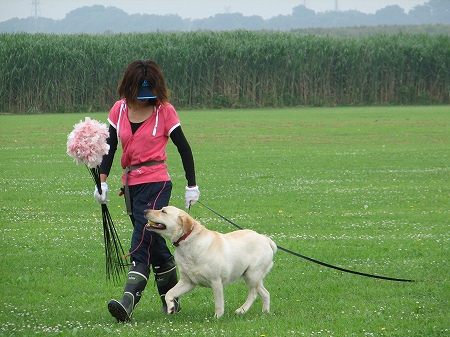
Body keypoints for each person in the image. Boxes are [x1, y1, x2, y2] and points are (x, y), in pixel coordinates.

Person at [94, 59, 200, 322]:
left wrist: (192, 185)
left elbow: (184, 148)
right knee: (156, 245)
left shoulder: (165, 111)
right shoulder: (119, 110)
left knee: (141, 240)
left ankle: (127, 303)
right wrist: (102, 182)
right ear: (128, 88)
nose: (144, 99)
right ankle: (171, 302)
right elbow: (109, 148)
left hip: (157, 183)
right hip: (131, 187)